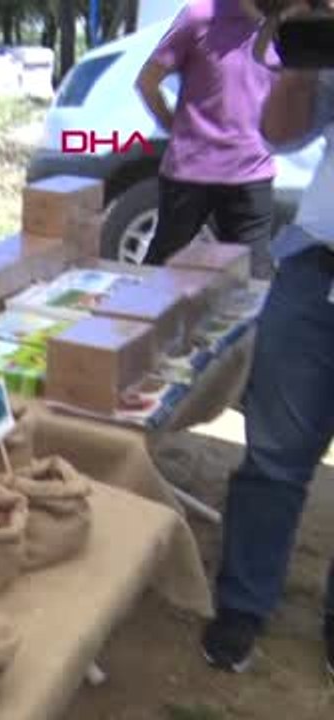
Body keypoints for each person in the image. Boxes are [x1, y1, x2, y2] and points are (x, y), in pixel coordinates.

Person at [201, 6, 334, 676]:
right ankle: (243, 605)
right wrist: (301, 57)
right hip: (318, 269)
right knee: (274, 456)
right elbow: (280, 135)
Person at [135, 0, 279, 266]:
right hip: (192, 171)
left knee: (255, 277)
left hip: (252, 172)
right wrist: (173, 125)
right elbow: (147, 81)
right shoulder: (199, 16)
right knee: (159, 268)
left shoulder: (282, 22)